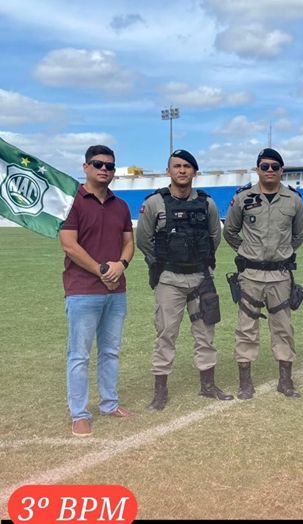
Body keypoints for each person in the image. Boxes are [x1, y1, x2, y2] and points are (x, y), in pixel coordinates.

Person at [136, 149, 232, 410]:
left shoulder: (207, 203)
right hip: (169, 278)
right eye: (177, 166)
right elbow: (143, 240)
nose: (182, 170)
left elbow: (215, 236)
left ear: (194, 172)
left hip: (201, 276)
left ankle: (208, 385)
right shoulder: (155, 203)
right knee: (166, 333)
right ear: (169, 171)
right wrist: (161, 264)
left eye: (187, 167)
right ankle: (160, 391)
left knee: (206, 333)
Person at [59, 145, 135, 437]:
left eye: (110, 166)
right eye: (98, 164)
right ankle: (79, 413)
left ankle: (110, 403)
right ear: (85, 167)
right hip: (82, 291)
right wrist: (101, 270)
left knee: (111, 351)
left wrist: (121, 264)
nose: (105, 169)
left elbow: (129, 242)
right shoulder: (73, 203)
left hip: (116, 291)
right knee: (79, 354)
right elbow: (69, 244)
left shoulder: (120, 205)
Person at [223, 148, 303, 399]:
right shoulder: (243, 198)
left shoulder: (294, 200)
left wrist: (282, 252)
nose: (269, 170)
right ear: (257, 169)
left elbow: (298, 235)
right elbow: (230, 231)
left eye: (274, 166)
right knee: (246, 327)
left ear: (282, 170)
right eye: (264, 166)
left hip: (280, 275)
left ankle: (285, 381)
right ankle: (245, 383)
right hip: (250, 275)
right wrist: (247, 251)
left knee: (283, 328)